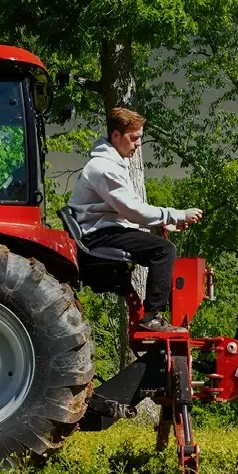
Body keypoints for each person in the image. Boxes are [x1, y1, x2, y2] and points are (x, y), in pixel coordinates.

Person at [68, 107, 202, 333]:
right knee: (164, 250)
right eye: (134, 138)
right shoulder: (104, 169)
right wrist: (176, 214)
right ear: (116, 136)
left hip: (103, 230)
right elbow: (132, 210)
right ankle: (151, 318)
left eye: (140, 138)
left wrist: (160, 222)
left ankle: (152, 315)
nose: (138, 144)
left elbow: (121, 211)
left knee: (160, 247)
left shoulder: (112, 164)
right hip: (96, 236)